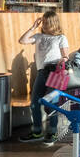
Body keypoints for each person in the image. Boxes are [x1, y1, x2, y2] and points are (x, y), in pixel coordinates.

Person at [19, 10, 69, 143]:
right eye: (44, 22)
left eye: (47, 22)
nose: (45, 24)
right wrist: (33, 27)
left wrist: (63, 60)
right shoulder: (38, 36)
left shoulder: (61, 38)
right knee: (35, 102)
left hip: (56, 72)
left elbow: (66, 56)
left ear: (54, 23)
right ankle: (37, 132)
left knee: (52, 102)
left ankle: (52, 132)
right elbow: (22, 40)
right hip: (42, 72)